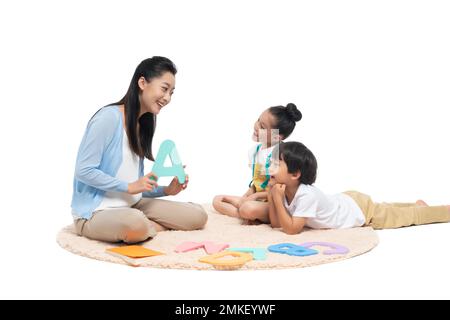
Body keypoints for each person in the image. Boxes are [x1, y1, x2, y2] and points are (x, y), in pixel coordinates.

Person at [71, 56, 208, 243]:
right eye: (164, 89)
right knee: (135, 224)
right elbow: (83, 170)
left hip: (133, 205)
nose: (167, 98)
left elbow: (137, 187)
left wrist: (167, 190)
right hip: (96, 212)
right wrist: (129, 187)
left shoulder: (143, 124)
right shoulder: (108, 119)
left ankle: (144, 228)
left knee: (197, 216)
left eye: (172, 93)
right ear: (142, 82)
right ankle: (142, 228)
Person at [267, 141, 450, 234]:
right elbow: (277, 224)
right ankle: (414, 204)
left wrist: (276, 199)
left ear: (295, 174)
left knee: (402, 218)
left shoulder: (306, 195)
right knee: (384, 208)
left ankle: (443, 211)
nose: (270, 167)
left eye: (277, 163)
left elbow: (291, 230)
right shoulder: (284, 189)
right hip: (346, 200)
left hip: (358, 210)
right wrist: (271, 195)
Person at [212, 103, 302, 223]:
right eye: (258, 120)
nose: (256, 126)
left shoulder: (280, 155)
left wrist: (254, 198)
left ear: (278, 136)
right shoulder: (255, 151)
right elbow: (256, 183)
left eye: (263, 127)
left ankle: (252, 214)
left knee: (247, 208)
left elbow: (281, 190)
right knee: (218, 200)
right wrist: (246, 196)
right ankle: (251, 216)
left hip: (275, 202)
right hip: (257, 200)